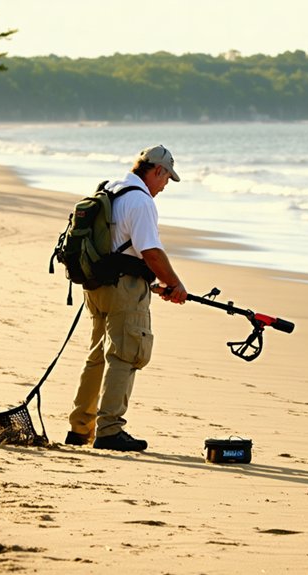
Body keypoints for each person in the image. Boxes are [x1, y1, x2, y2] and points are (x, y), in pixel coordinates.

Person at [65, 144, 188, 452]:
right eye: (166, 179)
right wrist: (174, 283)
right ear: (157, 171)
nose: (164, 187)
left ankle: (81, 428)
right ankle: (109, 430)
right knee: (125, 353)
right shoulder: (141, 201)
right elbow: (151, 252)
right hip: (123, 290)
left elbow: (120, 246)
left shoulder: (110, 189)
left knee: (97, 354)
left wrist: (153, 285)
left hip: (96, 285)